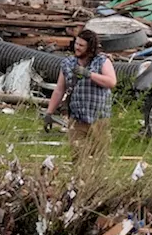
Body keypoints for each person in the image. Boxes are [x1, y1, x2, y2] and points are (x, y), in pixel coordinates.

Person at [45, 30, 117, 162]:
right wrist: (49, 113)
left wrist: (89, 74)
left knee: (100, 160)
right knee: (78, 159)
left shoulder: (102, 61)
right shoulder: (67, 63)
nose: (77, 47)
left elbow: (111, 82)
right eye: (76, 44)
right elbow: (59, 90)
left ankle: (98, 182)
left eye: (81, 45)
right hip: (77, 119)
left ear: (90, 47)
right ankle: (80, 180)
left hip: (99, 119)